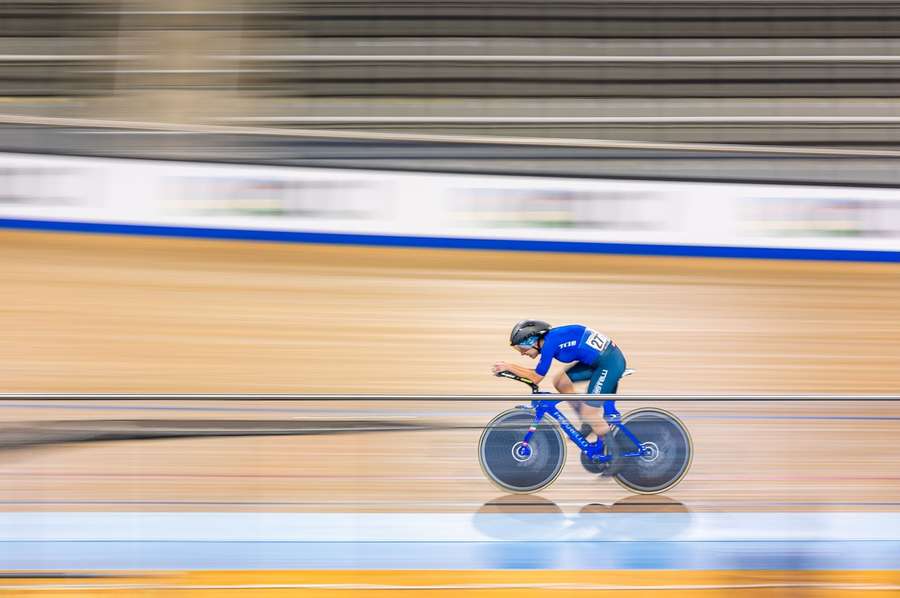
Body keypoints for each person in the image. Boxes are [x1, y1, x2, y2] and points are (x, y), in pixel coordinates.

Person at [491, 319, 627, 444]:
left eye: (522, 348)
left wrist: (509, 367)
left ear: (532, 340)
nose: (522, 353)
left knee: (589, 412)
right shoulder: (551, 340)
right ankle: (589, 423)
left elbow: (536, 378)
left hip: (609, 363)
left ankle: (616, 460)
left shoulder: (549, 344)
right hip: (598, 360)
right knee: (560, 382)